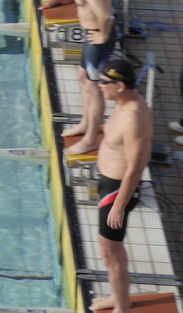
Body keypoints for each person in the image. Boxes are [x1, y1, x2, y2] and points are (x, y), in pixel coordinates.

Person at [44, 0, 117, 157]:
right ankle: (86, 124)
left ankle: (90, 140)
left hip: (98, 37)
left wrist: (103, 37)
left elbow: (105, 16)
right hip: (92, 35)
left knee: (94, 88)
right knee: (83, 77)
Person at [92, 58, 153, 313]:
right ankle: (120, 298)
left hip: (117, 192)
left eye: (104, 82)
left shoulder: (132, 118)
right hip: (110, 185)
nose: (100, 85)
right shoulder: (127, 102)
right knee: (113, 251)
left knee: (110, 253)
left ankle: (122, 308)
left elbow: (135, 168)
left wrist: (118, 206)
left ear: (119, 86)